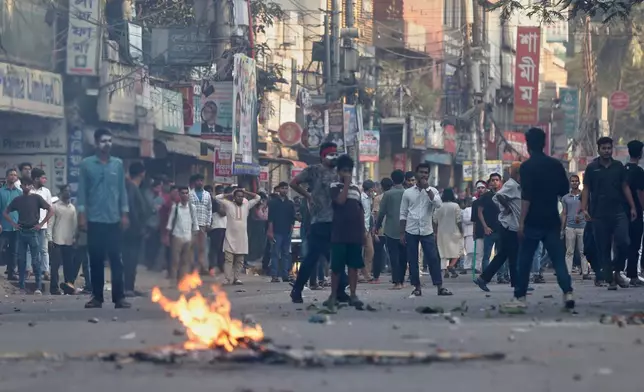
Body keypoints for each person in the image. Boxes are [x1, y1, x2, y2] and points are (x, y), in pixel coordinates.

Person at [506, 127, 573, 310]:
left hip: (533, 221)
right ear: (544, 144)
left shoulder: (526, 167)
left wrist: (520, 223)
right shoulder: (556, 165)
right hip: (551, 219)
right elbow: (563, 192)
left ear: (528, 145)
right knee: (558, 259)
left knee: (525, 260)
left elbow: (526, 197)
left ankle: (520, 297)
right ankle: (568, 292)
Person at [289, 142, 350, 304]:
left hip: (336, 222)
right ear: (323, 156)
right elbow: (293, 183)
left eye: (336, 154)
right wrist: (308, 196)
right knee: (312, 258)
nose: (334, 157)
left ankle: (341, 290)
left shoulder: (340, 172)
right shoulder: (314, 170)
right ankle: (297, 289)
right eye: (331, 154)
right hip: (319, 222)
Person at [77, 128, 130, 309]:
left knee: (116, 259)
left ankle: (119, 298)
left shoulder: (118, 164)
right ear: (96, 143)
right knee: (96, 260)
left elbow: (122, 190)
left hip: (114, 219)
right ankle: (97, 298)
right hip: (94, 220)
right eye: (103, 141)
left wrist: (124, 213)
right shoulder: (86, 165)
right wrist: (82, 215)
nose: (107, 144)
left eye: (109, 140)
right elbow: (82, 192)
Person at [581, 137, 637, 290]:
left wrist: (632, 207)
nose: (606, 151)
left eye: (609, 148)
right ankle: (610, 279)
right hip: (598, 213)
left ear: (612, 149)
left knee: (624, 241)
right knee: (603, 247)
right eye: (604, 148)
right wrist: (584, 208)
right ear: (598, 149)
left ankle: (617, 270)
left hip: (618, 211)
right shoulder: (592, 168)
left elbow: (625, 187)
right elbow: (586, 188)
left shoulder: (618, 166)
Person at [400, 163, 452, 297]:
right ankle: (417, 287)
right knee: (412, 260)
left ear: (428, 175)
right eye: (421, 172)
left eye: (426, 173)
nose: (423, 175)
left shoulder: (433, 191)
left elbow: (438, 205)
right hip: (411, 230)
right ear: (416, 174)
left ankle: (439, 286)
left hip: (426, 230)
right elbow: (403, 213)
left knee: (433, 258)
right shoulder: (408, 192)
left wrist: (427, 188)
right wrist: (401, 233)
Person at [326, 155, 365, 311]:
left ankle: (353, 294)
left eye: (349, 171)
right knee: (336, 267)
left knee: (354, 266)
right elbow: (340, 202)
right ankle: (333, 295)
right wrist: (346, 184)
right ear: (338, 171)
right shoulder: (334, 187)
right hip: (339, 233)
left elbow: (360, 210)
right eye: (344, 171)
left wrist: (363, 232)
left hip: (354, 233)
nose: (346, 173)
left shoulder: (356, 189)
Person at [474, 162, 522, 292]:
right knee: (507, 255)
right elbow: (498, 197)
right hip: (508, 226)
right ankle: (484, 278)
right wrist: (506, 208)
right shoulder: (511, 185)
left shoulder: (518, 186)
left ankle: (514, 283)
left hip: (513, 226)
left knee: (509, 255)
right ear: (518, 173)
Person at [3, 177, 54, 294]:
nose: (26, 186)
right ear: (21, 186)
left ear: (32, 186)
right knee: (21, 260)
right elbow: (5, 212)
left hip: (33, 231)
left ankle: (38, 287)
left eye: (28, 184)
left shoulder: (37, 198)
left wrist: (41, 223)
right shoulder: (18, 199)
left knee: (36, 260)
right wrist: (13, 223)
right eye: (24, 184)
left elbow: (51, 210)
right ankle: (21, 286)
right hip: (21, 231)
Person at [215, 188, 261, 284]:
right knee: (228, 260)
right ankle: (227, 278)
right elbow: (217, 197)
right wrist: (230, 194)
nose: (240, 198)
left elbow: (258, 197)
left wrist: (246, 192)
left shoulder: (246, 205)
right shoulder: (228, 205)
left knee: (240, 260)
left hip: (242, 237)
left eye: (242, 196)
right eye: (238, 196)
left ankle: (237, 278)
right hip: (230, 237)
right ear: (234, 197)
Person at [376, 170, 407, 289]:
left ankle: (397, 282)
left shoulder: (387, 194)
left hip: (390, 230)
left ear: (392, 180)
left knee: (394, 256)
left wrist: (377, 225)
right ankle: (402, 281)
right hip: (405, 229)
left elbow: (381, 212)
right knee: (404, 257)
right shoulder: (407, 193)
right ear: (403, 179)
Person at [123, 162, 149, 297]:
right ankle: (127, 288)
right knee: (130, 259)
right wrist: (138, 226)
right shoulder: (131, 187)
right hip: (132, 230)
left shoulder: (134, 187)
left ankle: (130, 287)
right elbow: (131, 209)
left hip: (136, 229)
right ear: (142, 173)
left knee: (133, 260)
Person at [48, 185, 79, 295]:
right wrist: (49, 238)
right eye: (66, 191)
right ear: (61, 193)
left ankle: (68, 287)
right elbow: (50, 224)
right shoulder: (55, 207)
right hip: (57, 240)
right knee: (55, 266)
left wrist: (75, 238)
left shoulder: (72, 208)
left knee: (68, 266)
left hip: (69, 241)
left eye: (69, 191)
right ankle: (54, 288)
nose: (68, 193)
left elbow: (75, 225)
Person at [165, 186, 199, 284]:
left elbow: (195, 223)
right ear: (179, 195)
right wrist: (167, 236)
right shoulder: (175, 207)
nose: (185, 195)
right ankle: (173, 282)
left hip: (188, 237)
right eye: (182, 193)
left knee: (185, 262)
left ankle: (182, 282)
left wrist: (194, 237)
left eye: (186, 193)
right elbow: (170, 223)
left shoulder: (192, 208)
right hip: (177, 236)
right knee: (175, 261)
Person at [560, 174, 590, 279]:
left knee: (583, 251)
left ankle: (585, 272)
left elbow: (587, 209)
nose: (574, 183)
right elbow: (564, 213)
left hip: (582, 226)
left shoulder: (584, 196)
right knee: (569, 251)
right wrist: (562, 228)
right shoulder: (565, 198)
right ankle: (567, 273)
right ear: (570, 183)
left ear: (579, 182)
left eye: (576, 181)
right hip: (570, 226)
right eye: (572, 181)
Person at [477, 173, 506, 282]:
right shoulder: (486, 196)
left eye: (497, 180)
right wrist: (485, 226)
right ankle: (485, 277)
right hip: (489, 230)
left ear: (500, 182)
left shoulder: (504, 195)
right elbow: (479, 212)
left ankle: (501, 276)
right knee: (486, 255)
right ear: (489, 183)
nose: (494, 182)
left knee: (500, 255)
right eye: (492, 180)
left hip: (502, 229)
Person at [624, 140, 644, 286]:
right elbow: (640, 193)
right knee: (635, 244)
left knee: (623, 243)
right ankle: (632, 275)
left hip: (622, 212)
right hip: (636, 211)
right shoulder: (639, 172)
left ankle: (619, 272)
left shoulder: (623, 169)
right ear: (641, 153)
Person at [267, 182, 296, 282]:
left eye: (286, 188)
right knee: (275, 253)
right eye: (283, 188)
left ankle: (285, 275)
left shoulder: (290, 204)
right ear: (278, 189)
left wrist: (291, 231)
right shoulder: (273, 203)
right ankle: (274, 275)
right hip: (276, 231)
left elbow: (292, 219)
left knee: (286, 254)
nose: (284, 190)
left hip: (287, 232)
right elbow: (270, 218)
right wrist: (270, 231)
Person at [432, 188, 463, 278]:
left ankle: (445, 271)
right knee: (458, 250)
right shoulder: (455, 206)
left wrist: (435, 232)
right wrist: (461, 230)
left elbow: (434, 220)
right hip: (454, 231)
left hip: (441, 232)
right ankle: (451, 265)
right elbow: (459, 220)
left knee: (443, 252)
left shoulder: (439, 206)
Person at [0, 169, 22, 281]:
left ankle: (11, 273)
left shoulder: (19, 192)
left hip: (16, 227)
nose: (13, 177)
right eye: (11, 175)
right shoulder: (1, 192)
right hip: (3, 227)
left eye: (15, 175)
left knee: (14, 251)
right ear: (6, 177)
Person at [31, 168, 52, 281]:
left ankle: (46, 271)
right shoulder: (29, 190)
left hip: (42, 226)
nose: (45, 180)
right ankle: (30, 270)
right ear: (36, 179)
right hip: (29, 225)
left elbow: (50, 208)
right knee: (30, 250)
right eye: (42, 177)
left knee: (44, 249)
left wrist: (45, 223)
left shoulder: (46, 191)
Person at [188, 174, 212, 273]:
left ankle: (203, 267)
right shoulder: (190, 194)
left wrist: (208, 223)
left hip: (203, 224)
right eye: (198, 181)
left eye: (201, 181)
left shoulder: (207, 195)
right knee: (192, 247)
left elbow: (209, 209)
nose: (200, 182)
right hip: (192, 224)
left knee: (202, 247)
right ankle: (192, 267)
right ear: (195, 182)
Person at [371, 178, 392, 282]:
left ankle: (376, 277)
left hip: (380, 230)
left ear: (382, 187)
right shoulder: (394, 197)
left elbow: (376, 215)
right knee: (393, 253)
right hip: (392, 229)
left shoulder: (378, 198)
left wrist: (374, 229)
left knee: (378, 254)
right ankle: (396, 277)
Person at [144, 180, 164, 270]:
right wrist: (154, 209)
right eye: (158, 187)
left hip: (158, 225)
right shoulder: (147, 196)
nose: (159, 189)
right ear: (153, 188)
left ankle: (153, 263)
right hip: (149, 224)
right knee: (149, 244)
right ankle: (148, 262)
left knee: (156, 245)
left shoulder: (161, 198)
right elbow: (147, 207)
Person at [160, 186, 180, 274]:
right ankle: (169, 270)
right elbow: (163, 218)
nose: (175, 194)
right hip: (167, 230)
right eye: (174, 192)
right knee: (168, 252)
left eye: (177, 193)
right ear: (170, 192)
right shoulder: (166, 203)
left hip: (177, 231)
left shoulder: (179, 204)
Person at [208, 185, 227, 275]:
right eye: (220, 191)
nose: (222, 193)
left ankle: (219, 266)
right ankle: (212, 266)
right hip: (217, 227)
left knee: (221, 249)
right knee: (216, 248)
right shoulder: (216, 201)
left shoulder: (221, 201)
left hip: (223, 226)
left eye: (223, 191)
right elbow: (222, 213)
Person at [360, 180, 376, 281]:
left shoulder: (370, 199)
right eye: (373, 189)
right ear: (370, 189)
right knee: (358, 252)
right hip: (361, 228)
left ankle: (366, 272)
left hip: (368, 228)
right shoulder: (361, 198)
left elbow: (369, 214)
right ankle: (361, 274)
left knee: (370, 251)